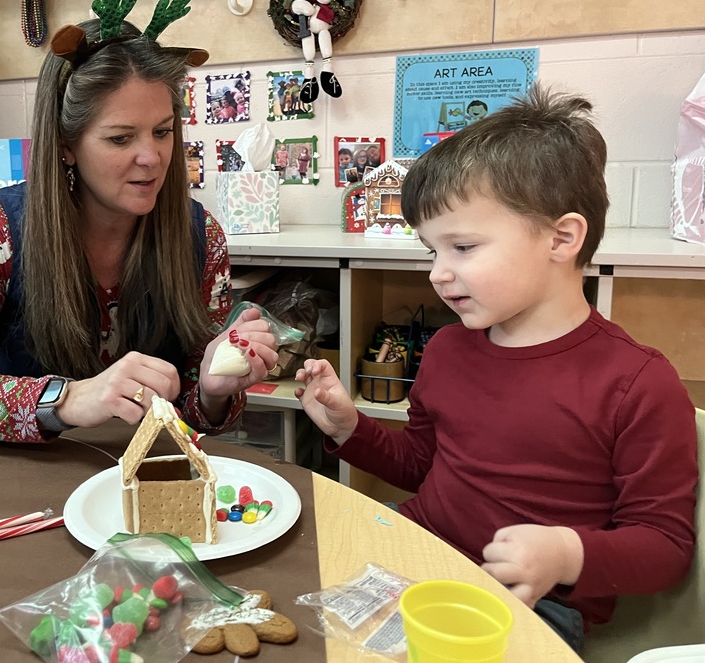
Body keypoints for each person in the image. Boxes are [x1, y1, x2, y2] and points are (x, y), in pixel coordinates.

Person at [294, 85, 697, 651]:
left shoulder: (637, 384)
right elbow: (424, 467)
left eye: (462, 247)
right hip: (417, 554)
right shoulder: (449, 350)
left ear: (562, 237)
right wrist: (347, 429)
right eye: (431, 251)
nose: (437, 272)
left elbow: (665, 547)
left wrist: (565, 554)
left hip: (530, 606)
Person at [0, 18, 279, 443]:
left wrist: (211, 392)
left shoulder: (200, 234)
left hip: (146, 477)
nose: (151, 157)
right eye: (120, 139)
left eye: (163, 131)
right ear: (65, 144)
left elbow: (197, 417)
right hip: (36, 479)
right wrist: (68, 399)